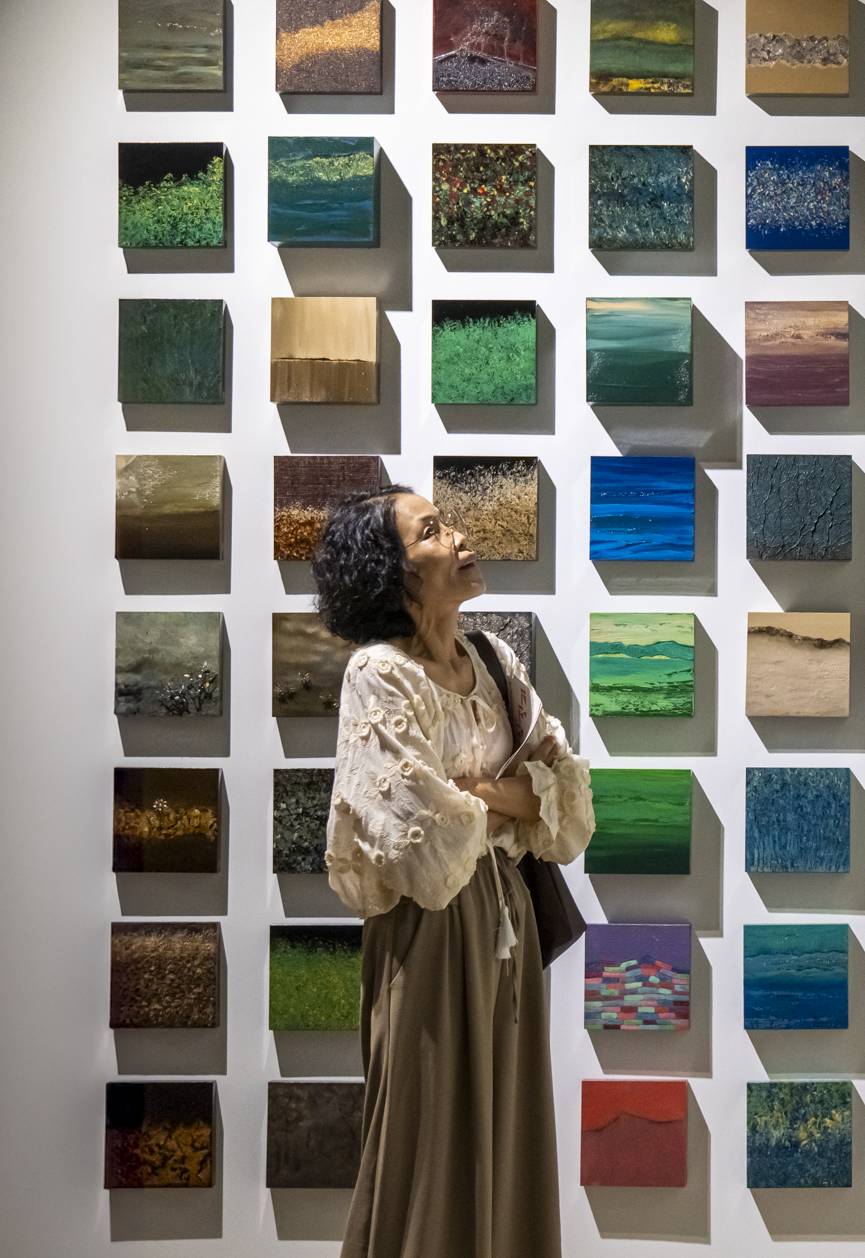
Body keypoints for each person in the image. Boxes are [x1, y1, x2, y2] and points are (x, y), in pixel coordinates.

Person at [312, 484, 593, 1258]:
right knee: (427, 1149)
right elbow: (417, 844)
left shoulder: (494, 658)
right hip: (429, 936)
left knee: (508, 1134)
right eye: (432, 531)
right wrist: (515, 799)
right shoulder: (379, 674)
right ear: (391, 572)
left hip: (509, 926)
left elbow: (569, 798)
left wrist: (480, 795)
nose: (461, 537)